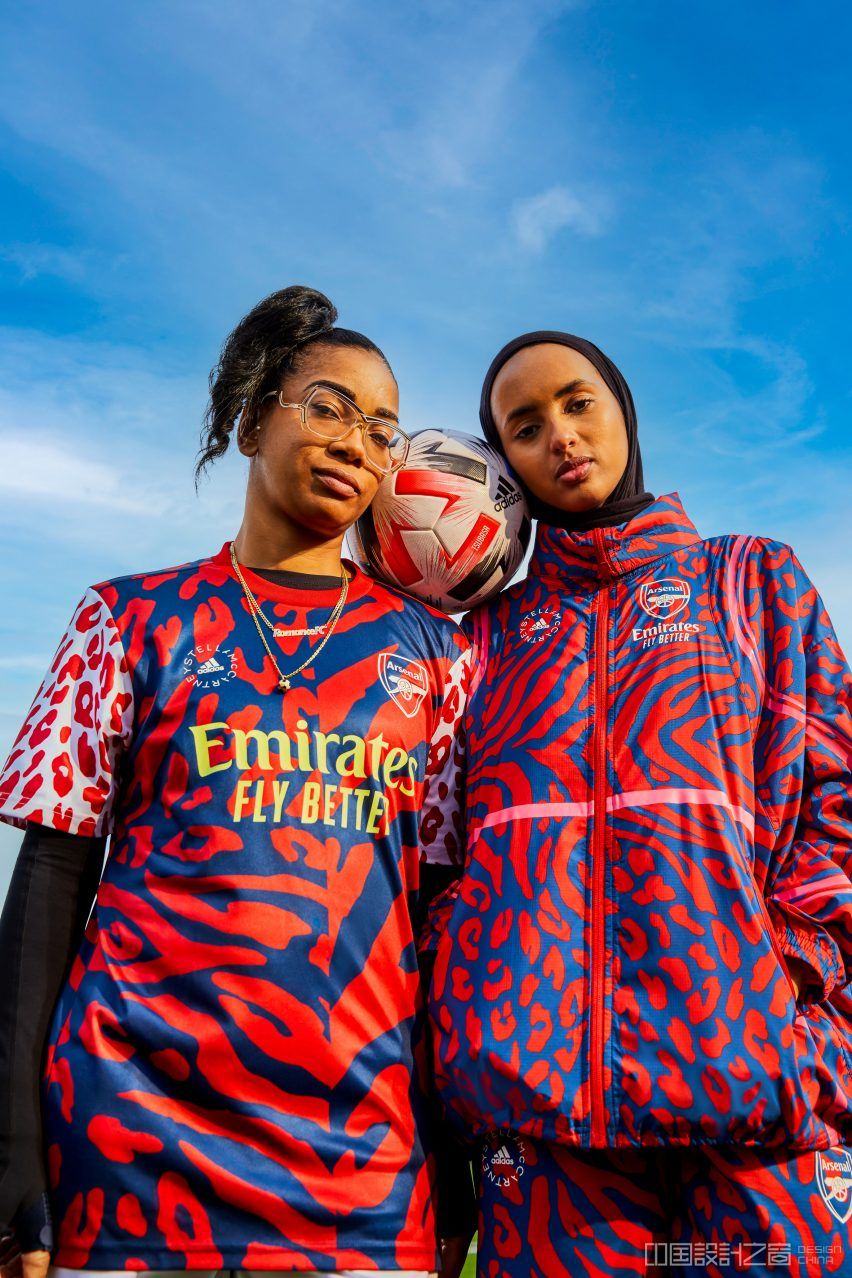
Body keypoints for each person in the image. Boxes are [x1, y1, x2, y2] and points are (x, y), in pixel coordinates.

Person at [0, 286, 475, 1278]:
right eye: (328, 406)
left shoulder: (438, 655)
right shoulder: (126, 621)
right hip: (129, 1142)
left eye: (381, 429)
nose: (355, 440)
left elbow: (443, 918)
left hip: (363, 1165)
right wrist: (11, 1150)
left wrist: (458, 1158)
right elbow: (49, 884)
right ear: (256, 419)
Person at [424, 331, 852, 1276]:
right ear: (505, 463)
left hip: (753, 1104)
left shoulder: (751, 581)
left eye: (580, 404)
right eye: (525, 426)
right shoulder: (484, 638)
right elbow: (438, 861)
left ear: (623, 409)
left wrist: (806, 1019)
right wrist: (468, 1031)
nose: (562, 437)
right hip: (535, 1120)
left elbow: (838, 805)